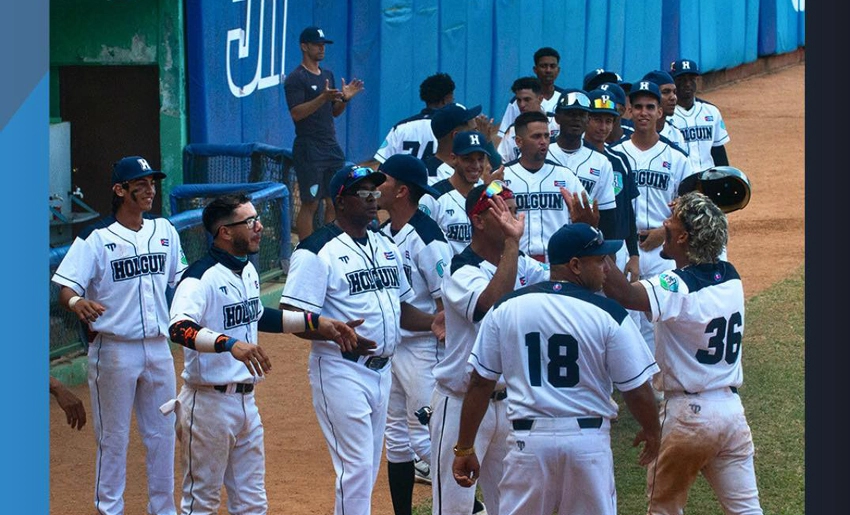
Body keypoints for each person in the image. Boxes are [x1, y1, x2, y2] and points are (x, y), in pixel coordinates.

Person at [167, 193, 360, 515]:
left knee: (252, 503)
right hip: (208, 405)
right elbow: (178, 328)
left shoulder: (246, 271)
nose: (259, 227)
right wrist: (229, 343)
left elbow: (259, 315)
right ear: (225, 231)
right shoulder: (200, 277)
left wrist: (318, 322)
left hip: (245, 403)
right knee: (201, 503)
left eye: (257, 219)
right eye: (250, 221)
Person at [452, 223, 661, 515]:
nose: (607, 268)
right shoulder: (609, 314)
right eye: (600, 260)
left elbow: (479, 383)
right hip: (586, 446)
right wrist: (653, 431)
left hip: (528, 447)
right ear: (575, 265)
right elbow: (636, 389)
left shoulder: (506, 308)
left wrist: (464, 447)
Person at [600, 191, 764, 515]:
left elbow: (621, 293)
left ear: (685, 236)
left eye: (672, 221)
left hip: (689, 418)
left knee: (663, 509)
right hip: (731, 413)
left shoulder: (678, 286)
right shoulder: (731, 276)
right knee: (747, 510)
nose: (665, 223)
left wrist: (594, 236)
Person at [280, 165, 425, 515]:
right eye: (363, 193)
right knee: (356, 469)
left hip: (383, 373)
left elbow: (402, 308)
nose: (374, 199)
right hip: (341, 371)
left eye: (376, 191)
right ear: (341, 202)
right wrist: (329, 329)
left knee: (367, 468)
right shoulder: (316, 250)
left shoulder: (385, 244)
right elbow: (289, 315)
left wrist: (438, 321)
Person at [51, 155, 187, 515]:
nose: (149, 189)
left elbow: (183, 280)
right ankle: (108, 509)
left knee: (162, 435)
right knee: (113, 439)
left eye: (152, 182)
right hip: (114, 352)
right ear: (119, 190)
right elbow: (65, 287)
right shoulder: (95, 238)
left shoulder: (165, 231)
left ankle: (164, 510)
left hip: (159, 349)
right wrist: (78, 300)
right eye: (140, 184)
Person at [430, 182, 550, 515]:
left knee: (513, 506)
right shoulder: (461, 270)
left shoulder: (523, 265)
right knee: (454, 509)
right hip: (461, 405)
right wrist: (512, 243)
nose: (513, 218)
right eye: (501, 210)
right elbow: (490, 305)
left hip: (511, 404)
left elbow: (562, 288)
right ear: (479, 221)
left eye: (513, 209)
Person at [375, 154, 452, 515]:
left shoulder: (428, 238)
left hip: (425, 352)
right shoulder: (380, 235)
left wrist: (431, 329)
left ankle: (469, 507)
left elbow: (448, 308)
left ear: (402, 190)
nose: (376, 187)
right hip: (393, 351)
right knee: (398, 442)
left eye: (383, 180)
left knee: (431, 439)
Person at [610, 81, 695, 353]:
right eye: (638, 107)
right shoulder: (614, 156)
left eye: (650, 107)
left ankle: (660, 376)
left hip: (663, 249)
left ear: (660, 112)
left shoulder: (677, 157)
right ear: (629, 112)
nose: (643, 112)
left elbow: (689, 205)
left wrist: (663, 231)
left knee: (665, 316)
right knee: (625, 313)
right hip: (626, 246)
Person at [284, 26, 365, 241]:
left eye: (323, 45)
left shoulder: (327, 75)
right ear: (304, 46)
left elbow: (334, 112)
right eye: (317, 44)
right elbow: (296, 114)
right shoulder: (296, 78)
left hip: (330, 146)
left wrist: (345, 99)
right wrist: (322, 97)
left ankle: (330, 245)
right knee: (311, 202)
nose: (322, 48)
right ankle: (308, 250)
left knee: (334, 199)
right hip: (309, 148)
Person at [500, 110, 591, 263]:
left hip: (556, 262)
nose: (543, 141)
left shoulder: (565, 176)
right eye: (536, 136)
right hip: (514, 262)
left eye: (546, 136)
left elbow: (586, 216)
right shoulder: (502, 176)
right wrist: (490, 187)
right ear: (519, 142)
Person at [584, 88, 642, 320]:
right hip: (587, 250)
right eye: (597, 119)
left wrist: (634, 254)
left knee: (626, 317)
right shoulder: (572, 159)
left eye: (609, 121)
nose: (603, 127)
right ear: (586, 119)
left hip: (618, 248)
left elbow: (628, 210)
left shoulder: (619, 159)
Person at [546, 89, 618, 236]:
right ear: (558, 117)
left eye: (582, 115)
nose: (576, 119)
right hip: (546, 240)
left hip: (584, 243)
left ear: (588, 119)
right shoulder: (542, 153)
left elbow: (607, 216)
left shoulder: (601, 162)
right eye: (571, 114)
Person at [419, 130, 492, 256]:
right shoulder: (434, 198)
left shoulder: (487, 192)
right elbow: (420, 240)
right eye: (468, 159)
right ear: (454, 159)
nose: (476, 165)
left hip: (482, 272)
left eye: (480, 159)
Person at [369, 72, 456, 168]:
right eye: (451, 96)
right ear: (444, 100)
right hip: (441, 182)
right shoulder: (451, 129)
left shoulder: (400, 127)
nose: (453, 99)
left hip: (405, 182)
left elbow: (383, 164)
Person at [669, 58, 731, 172]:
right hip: (679, 180)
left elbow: (718, 150)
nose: (687, 84)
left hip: (708, 179)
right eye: (681, 80)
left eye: (691, 79)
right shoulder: (665, 116)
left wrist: (725, 177)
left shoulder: (711, 111)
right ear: (673, 82)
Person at [496, 47, 565, 147]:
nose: (548, 70)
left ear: (558, 70)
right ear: (535, 70)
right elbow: (503, 135)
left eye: (552, 66)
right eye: (543, 66)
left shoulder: (565, 99)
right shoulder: (517, 101)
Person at [426, 103, 500, 185]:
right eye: (474, 130)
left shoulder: (469, 169)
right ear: (456, 136)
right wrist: (490, 189)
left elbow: (504, 174)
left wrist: (487, 141)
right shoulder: (430, 178)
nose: (477, 135)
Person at [496, 77, 560, 163]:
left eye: (527, 100)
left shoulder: (557, 123)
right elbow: (501, 163)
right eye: (519, 100)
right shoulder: (512, 130)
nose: (522, 105)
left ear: (540, 99)